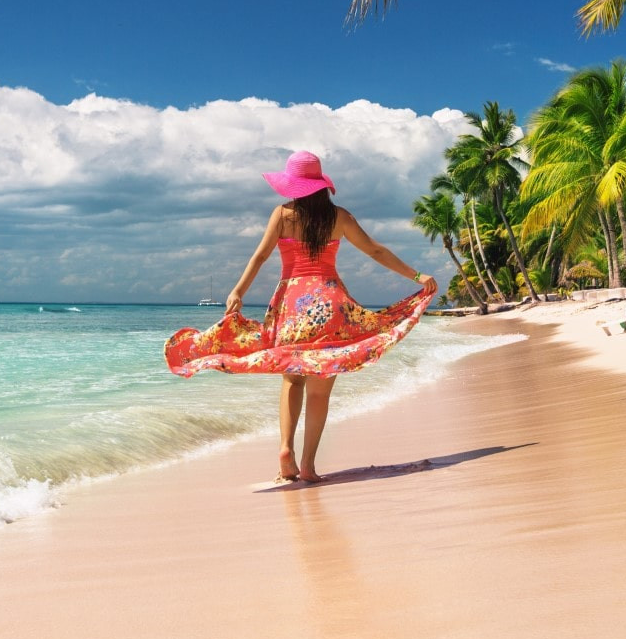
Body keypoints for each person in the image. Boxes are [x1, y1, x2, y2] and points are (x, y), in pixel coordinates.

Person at [164, 150, 439, 483]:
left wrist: (238, 291)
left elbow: (261, 255)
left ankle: (285, 450)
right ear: (322, 184)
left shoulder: (282, 214)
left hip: (292, 304)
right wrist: (417, 276)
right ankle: (307, 465)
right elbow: (375, 250)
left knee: (292, 377)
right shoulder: (339, 217)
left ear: (293, 185)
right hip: (330, 303)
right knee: (320, 391)